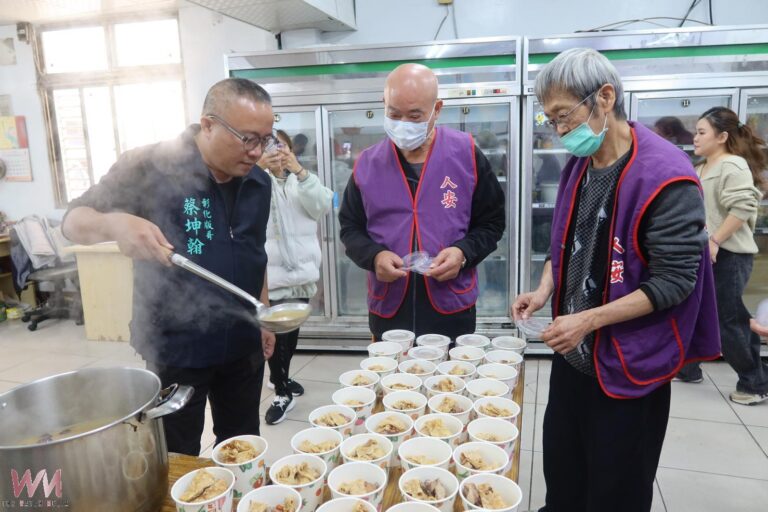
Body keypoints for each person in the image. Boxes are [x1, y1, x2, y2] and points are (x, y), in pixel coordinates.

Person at [511, 48, 720, 512]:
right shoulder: (581, 165)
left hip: (629, 362)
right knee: (564, 475)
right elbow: (566, 242)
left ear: (605, 97)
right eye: (551, 119)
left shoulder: (665, 176)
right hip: (574, 356)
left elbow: (674, 282)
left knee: (616, 489)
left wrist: (587, 320)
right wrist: (543, 291)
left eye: (564, 115)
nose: (559, 130)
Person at [62, 78, 277, 456]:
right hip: (178, 347)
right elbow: (72, 221)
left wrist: (264, 312)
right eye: (247, 139)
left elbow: (254, 252)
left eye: (265, 139)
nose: (257, 152)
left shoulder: (258, 182)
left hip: (243, 341)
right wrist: (114, 224)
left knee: (242, 445)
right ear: (208, 124)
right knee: (175, 453)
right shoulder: (148, 166)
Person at [338, 63, 505, 341]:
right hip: (389, 306)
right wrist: (374, 256)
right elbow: (350, 228)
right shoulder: (367, 164)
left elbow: (492, 223)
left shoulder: (466, 155)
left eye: (415, 116)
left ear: (436, 109)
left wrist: (463, 253)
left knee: (452, 369)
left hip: (451, 305)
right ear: (383, 104)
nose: (403, 124)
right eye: (394, 114)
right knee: (393, 369)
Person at [675, 107, 768, 405]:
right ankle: (688, 368)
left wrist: (715, 240)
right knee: (691, 312)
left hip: (728, 255)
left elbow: (743, 208)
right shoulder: (701, 167)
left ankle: (754, 383)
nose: (695, 137)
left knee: (729, 321)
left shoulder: (733, 165)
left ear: (722, 136)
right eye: (696, 132)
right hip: (701, 255)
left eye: (702, 132)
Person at [257, 129, 332, 424]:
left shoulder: (301, 182)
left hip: (301, 274)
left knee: (291, 334)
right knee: (276, 336)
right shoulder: (254, 182)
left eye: (282, 148)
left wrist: (298, 170)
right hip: (270, 277)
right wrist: (259, 169)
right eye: (269, 148)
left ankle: (281, 377)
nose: (276, 153)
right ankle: (281, 390)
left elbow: (322, 205)